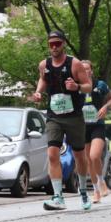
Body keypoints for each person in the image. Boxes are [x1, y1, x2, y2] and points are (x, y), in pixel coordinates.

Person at [32, 30, 93, 211]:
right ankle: (58, 196)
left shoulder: (74, 64)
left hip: (73, 116)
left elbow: (88, 86)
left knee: (79, 156)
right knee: (52, 153)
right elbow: (43, 80)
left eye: (57, 43)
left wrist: (76, 86)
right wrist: (38, 92)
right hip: (54, 116)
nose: (54, 47)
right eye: (51, 44)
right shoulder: (44, 64)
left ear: (63, 44)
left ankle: (83, 190)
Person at [79, 60, 111, 202]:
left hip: (97, 124)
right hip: (83, 126)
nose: (85, 71)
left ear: (91, 71)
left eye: (87, 69)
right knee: (88, 160)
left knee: (95, 156)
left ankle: (101, 181)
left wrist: (105, 107)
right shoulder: (77, 87)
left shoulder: (100, 85)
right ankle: (95, 191)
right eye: (82, 69)